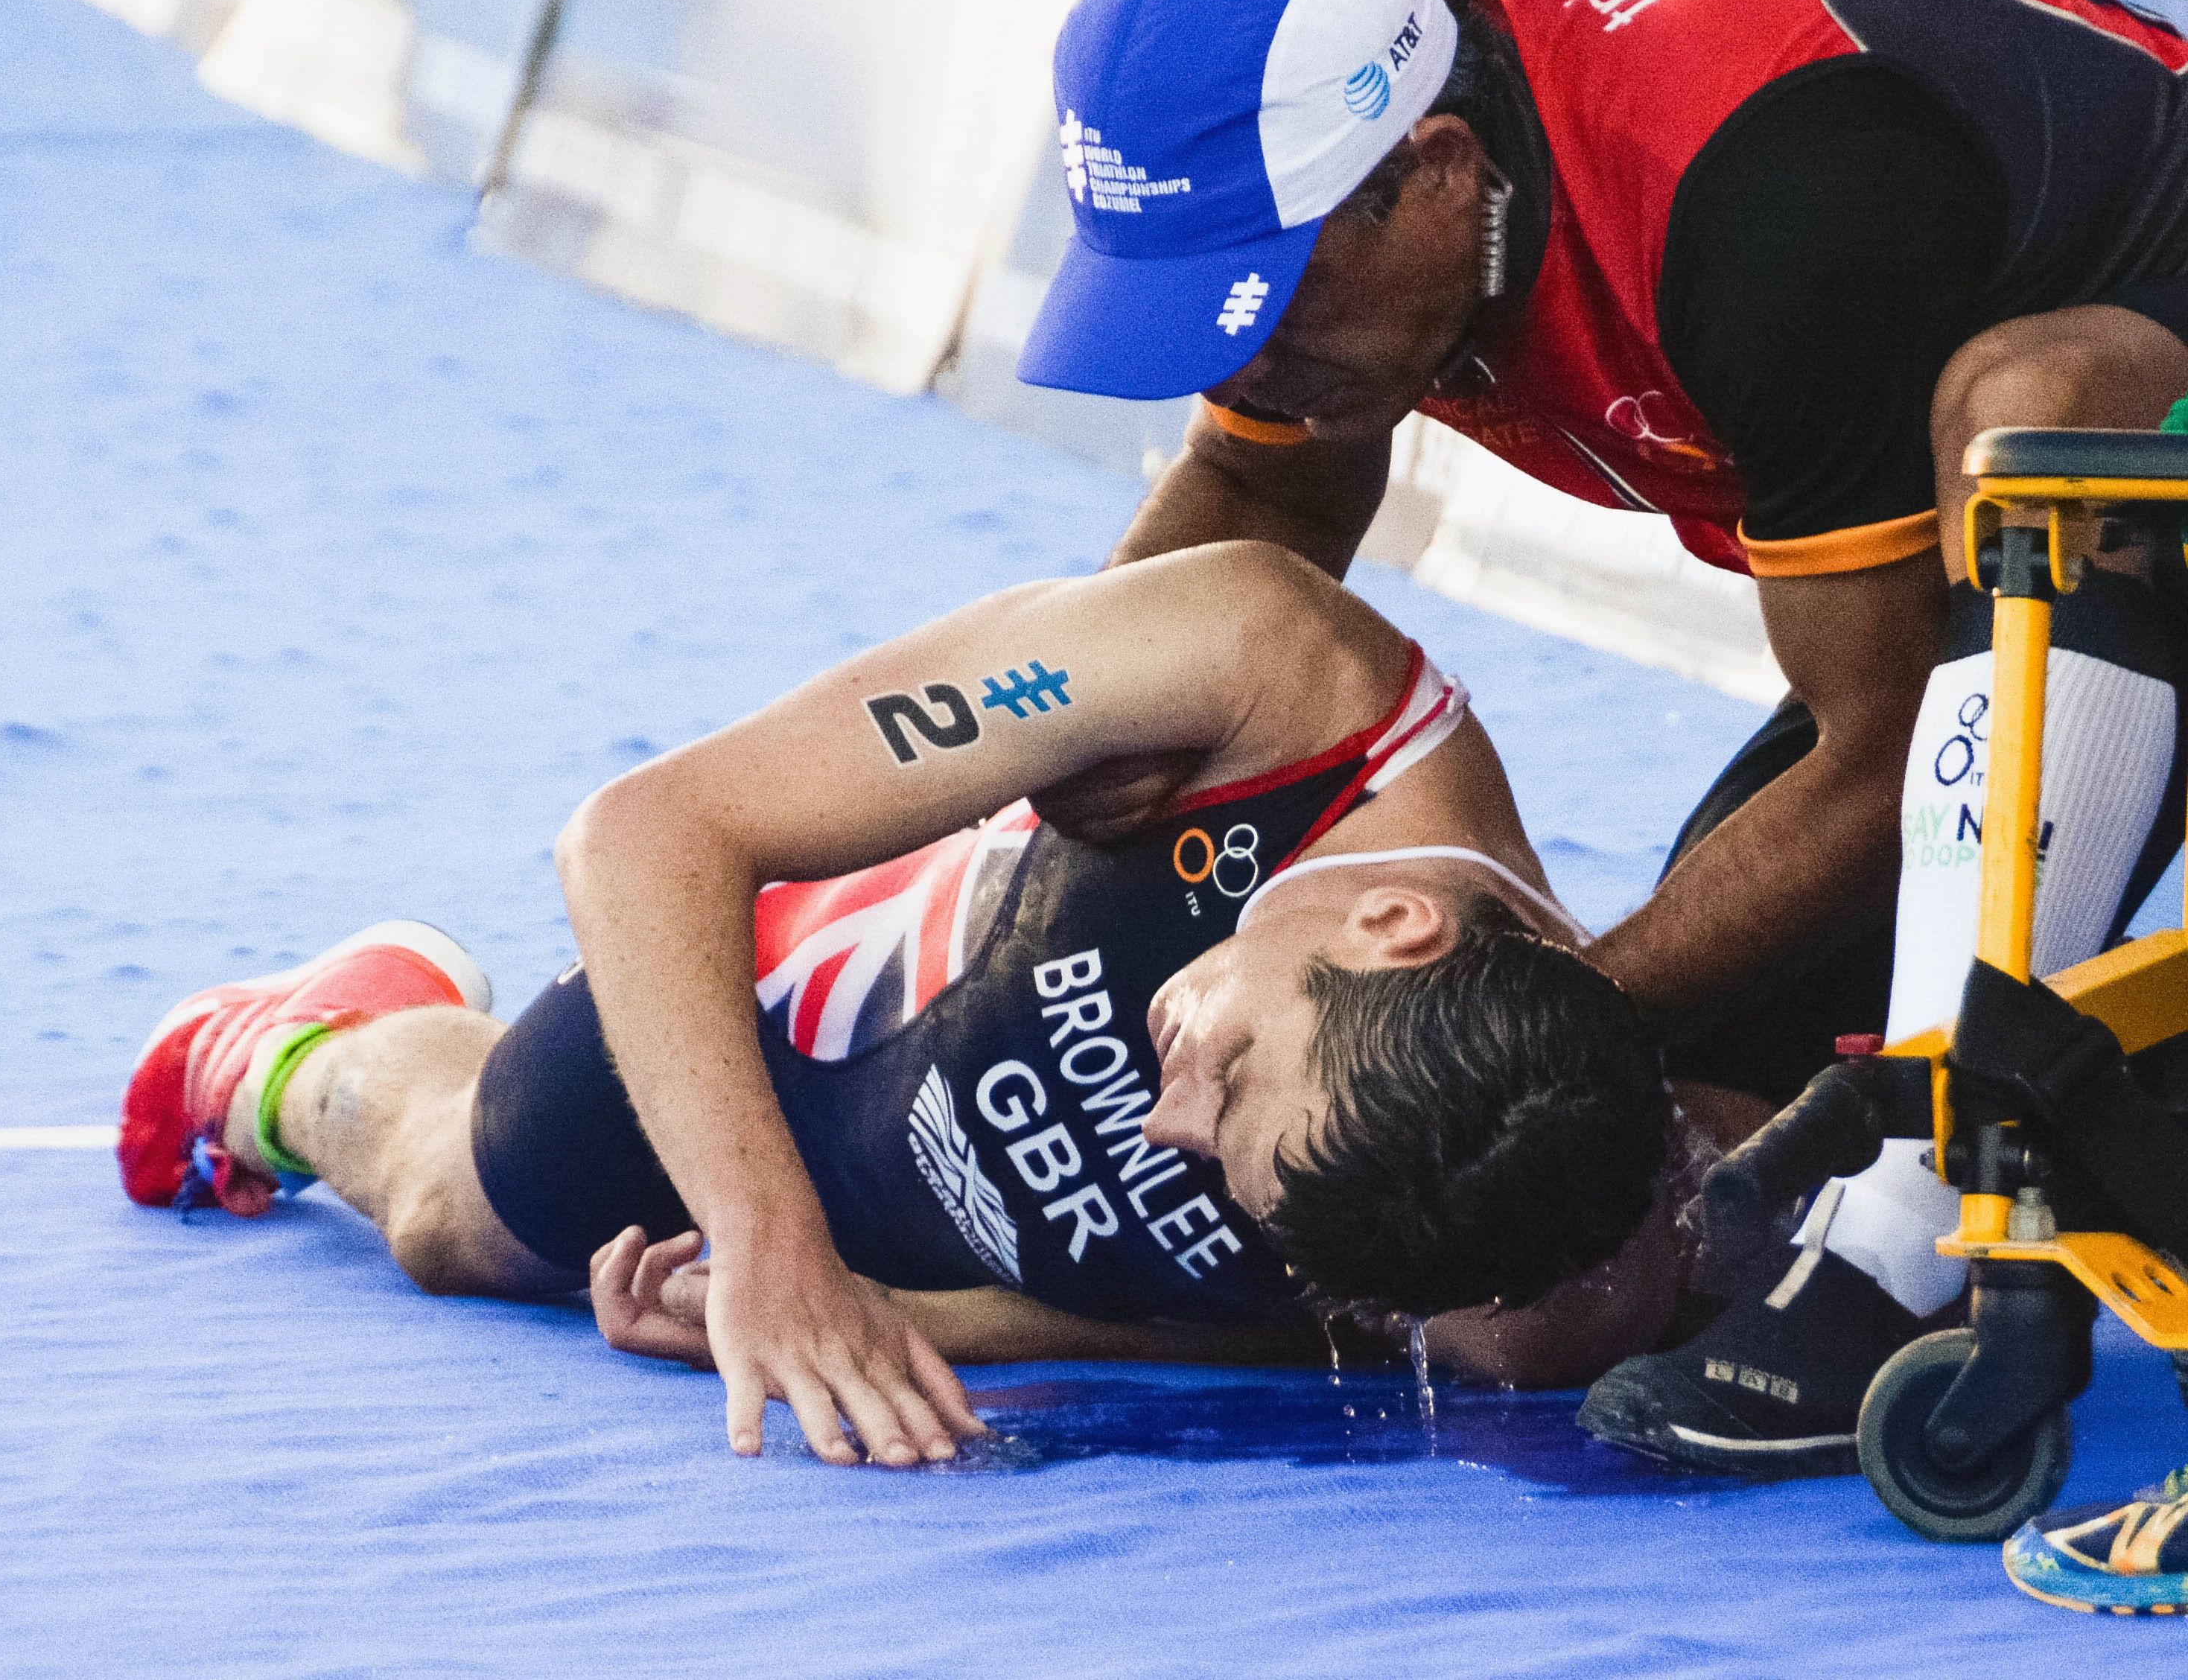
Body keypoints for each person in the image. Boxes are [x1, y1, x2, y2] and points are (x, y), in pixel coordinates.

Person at [1011, 0, 2188, 1480]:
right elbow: (1260, 511)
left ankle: (1918, 1221)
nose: (1240, 371)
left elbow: (1882, 744)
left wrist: (1522, 1037)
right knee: (1704, 1121)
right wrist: (1023, 756)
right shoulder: (1382, 211)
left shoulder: (1760, 199)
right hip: (1964, 594)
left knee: (2030, 423)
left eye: (1264, 306)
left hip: (2105, 430)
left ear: (1435, 173)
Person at [118, 539, 1718, 1466]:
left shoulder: (1529, 1259)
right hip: (809, 1017)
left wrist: (915, 1324)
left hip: (970, 1246)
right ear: (1389, 922)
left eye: (1227, 1155)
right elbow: (648, 832)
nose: (1171, 1119)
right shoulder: (1268, 669)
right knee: (456, 1214)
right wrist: (772, 1250)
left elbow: (1276, 1330)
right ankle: (301, 1041)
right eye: (1229, 1061)